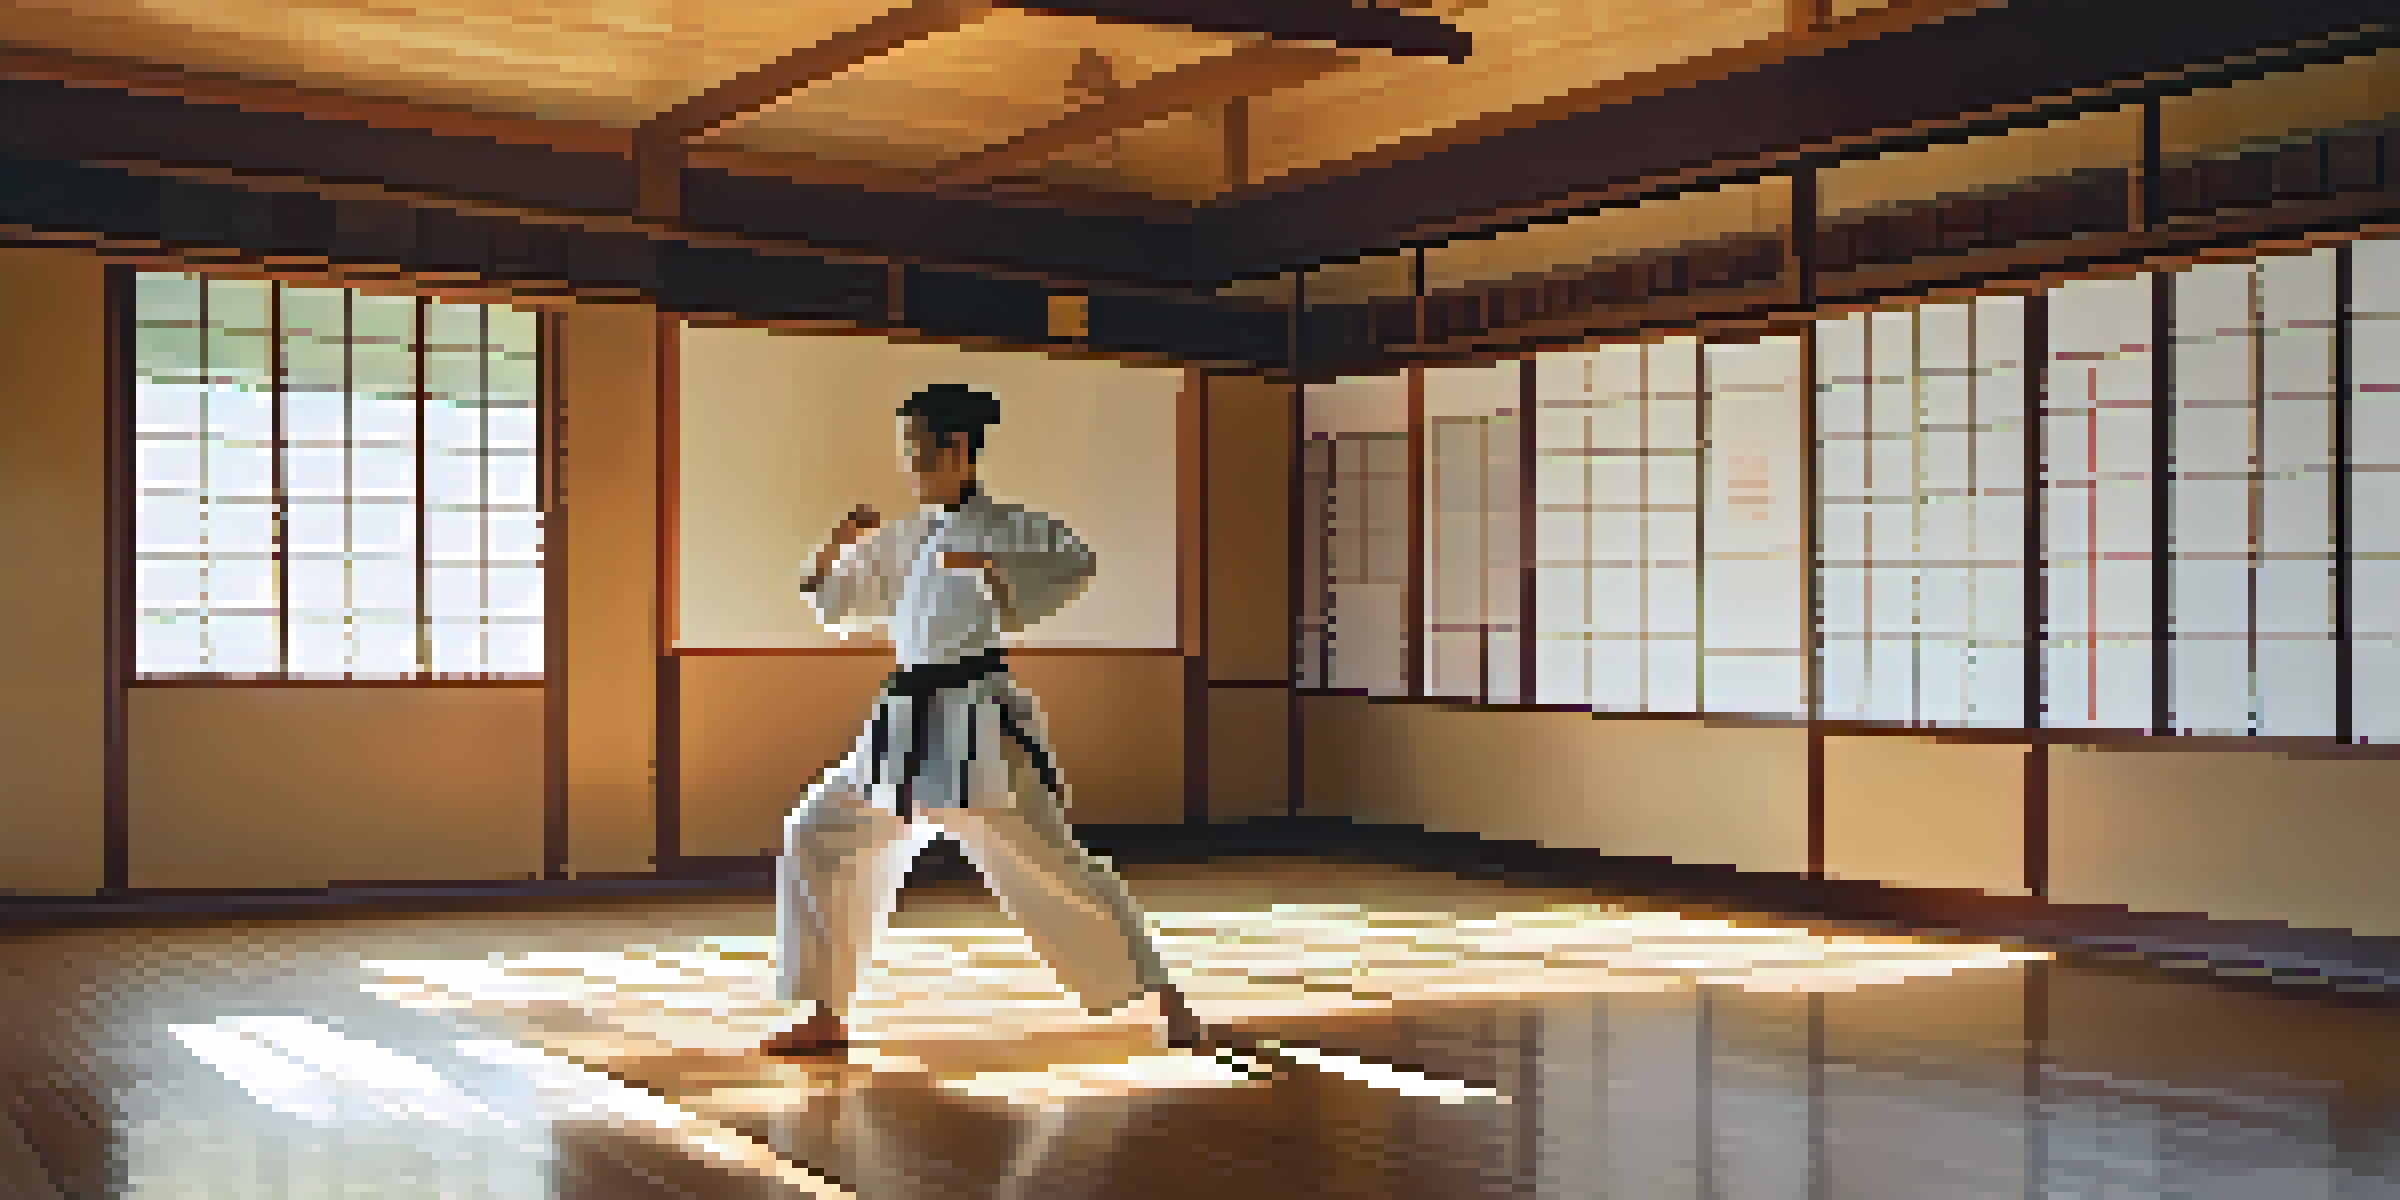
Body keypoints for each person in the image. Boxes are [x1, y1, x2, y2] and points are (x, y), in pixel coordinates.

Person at [759, 383, 1211, 1057]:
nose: (911, 466)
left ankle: (1164, 997)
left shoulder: (1009, 526)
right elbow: (835, 601)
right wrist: (836, 545)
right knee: (820, 833)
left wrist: (992, 568)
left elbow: (1074, 562)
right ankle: (826, 1010)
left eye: (919, 451)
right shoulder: (907, 537)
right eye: (907, 451)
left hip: (976, 724)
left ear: (959, 449)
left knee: (1052, 863)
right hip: (904, 724)